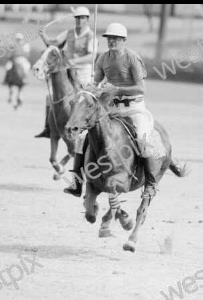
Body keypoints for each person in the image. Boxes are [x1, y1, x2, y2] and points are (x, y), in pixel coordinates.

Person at [64, 23, 158, 200]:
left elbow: (141, 88)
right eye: (109, 38)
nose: (111, 41)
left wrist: (116, 89)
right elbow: (97, 83)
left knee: (143, 137)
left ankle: (151, 184)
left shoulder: (132, 59)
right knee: (83, 138)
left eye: (115, 38)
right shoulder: (102, 59)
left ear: (124, 40)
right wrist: (89, 88)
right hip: (112, 107)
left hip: (134, 107)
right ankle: (77, 183)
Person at [35, 6, 97, 138]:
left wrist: (75, 60)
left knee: (86, 99)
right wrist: (43, 35)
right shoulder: (68, 33)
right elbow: (53, 44)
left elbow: (92, 56)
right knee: (51, 97)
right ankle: (49, 128)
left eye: (82, 18)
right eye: (77, 18)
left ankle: (88, 129)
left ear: (87, 20)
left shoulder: (91, 36)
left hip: (84, 73)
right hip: (68, 71)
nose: (79, 21)